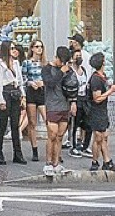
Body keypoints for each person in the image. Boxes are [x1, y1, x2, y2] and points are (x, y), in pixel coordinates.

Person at [39, 43, 75, 179]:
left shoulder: (67, 70)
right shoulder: (47, 69)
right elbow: (50, 83)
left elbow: (72, 86)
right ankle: (48, 162)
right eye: (61, 61)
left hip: (64, 106)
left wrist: (73, 102)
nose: (63, 64)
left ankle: (56, 162)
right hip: (52, 106)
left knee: (60, 136)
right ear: (57, 58)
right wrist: (61, 72)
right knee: (52, 135)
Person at [0, 40, 24, 165]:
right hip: (4, 92)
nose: (15, 50)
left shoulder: (16, 63)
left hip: (15, 92)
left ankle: (18, 153)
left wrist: (22, 95)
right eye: (12, 48)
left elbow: (20, 80)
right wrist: (0, 99)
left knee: (15, 124)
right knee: (2, 125)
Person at [85, 51, 115, 173]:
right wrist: (111, 91)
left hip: (102, 111)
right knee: (98, 137)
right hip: (96, 111)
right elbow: (97, 98)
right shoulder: (96, 79)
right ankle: (95, 161)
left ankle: (107, 161)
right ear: (102, 62)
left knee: (104, 136)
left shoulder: (101, 77)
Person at [66, 31, 91, 158]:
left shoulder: (85, 61)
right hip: (75, 98)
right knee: (74, 123)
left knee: (86, 123)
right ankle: (73, 144)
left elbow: (87, 76)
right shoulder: (70, 69)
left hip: (84, 97)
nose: (72, 43)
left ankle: (84, 144)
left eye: (74, 42)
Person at [22, 39, 46, 158]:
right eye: (37, 47)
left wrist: (43, 82)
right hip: (31, 92)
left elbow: (48, 78)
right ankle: (34, 150)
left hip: (42, 92)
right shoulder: (27, 63)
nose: (39, 49)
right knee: (32, 122)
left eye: (41, 47)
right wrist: (31, 83)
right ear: (32, 48)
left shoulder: (44, 64)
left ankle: (52, 148)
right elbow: (23, 78)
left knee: (48, 120)